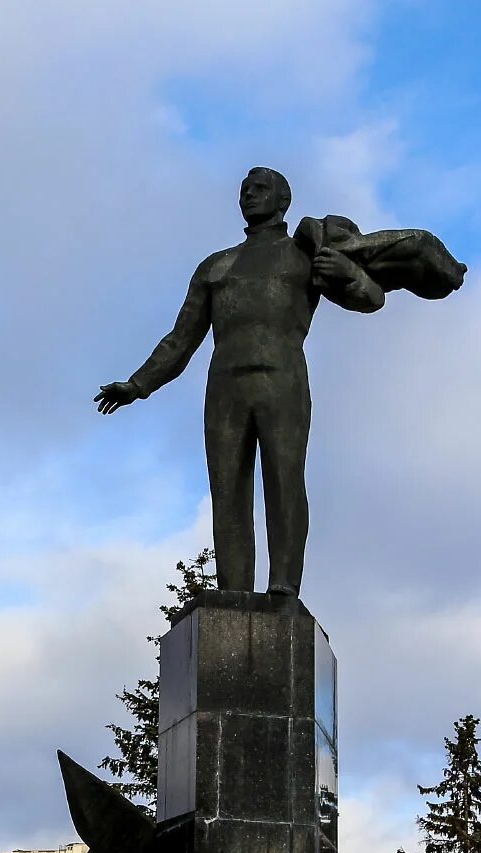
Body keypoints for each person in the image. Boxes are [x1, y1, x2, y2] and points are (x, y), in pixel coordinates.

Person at [96, 167, 383, 599]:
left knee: (284, 481)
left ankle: (284, 582)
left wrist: (348, 272)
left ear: (282, 200)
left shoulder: (305, 254)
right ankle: (233, 591)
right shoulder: (216, 266)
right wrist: (137, 385)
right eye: (244, 190)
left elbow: (370, 299)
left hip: (282, 379)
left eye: (259, 189)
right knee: (227, 490)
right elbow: (181, 339)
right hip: (225, 385)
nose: (248, 195)